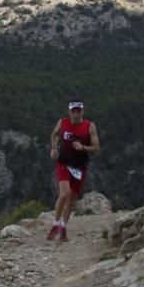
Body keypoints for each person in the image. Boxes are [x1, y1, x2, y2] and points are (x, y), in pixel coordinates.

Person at [47, 100, 100, 242]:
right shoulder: (63, 123)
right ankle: (55, 225)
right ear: (69, 112)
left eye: (79, 111)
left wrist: (83, 147)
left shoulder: (89, 126)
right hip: (63, 163)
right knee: (64, 194)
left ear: (82, 111)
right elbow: (54, 134)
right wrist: (53, 147)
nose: (76, 114)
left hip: (79, 167)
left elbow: (96, 148)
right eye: (73, 111)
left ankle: (63, 228)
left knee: (72, 199)